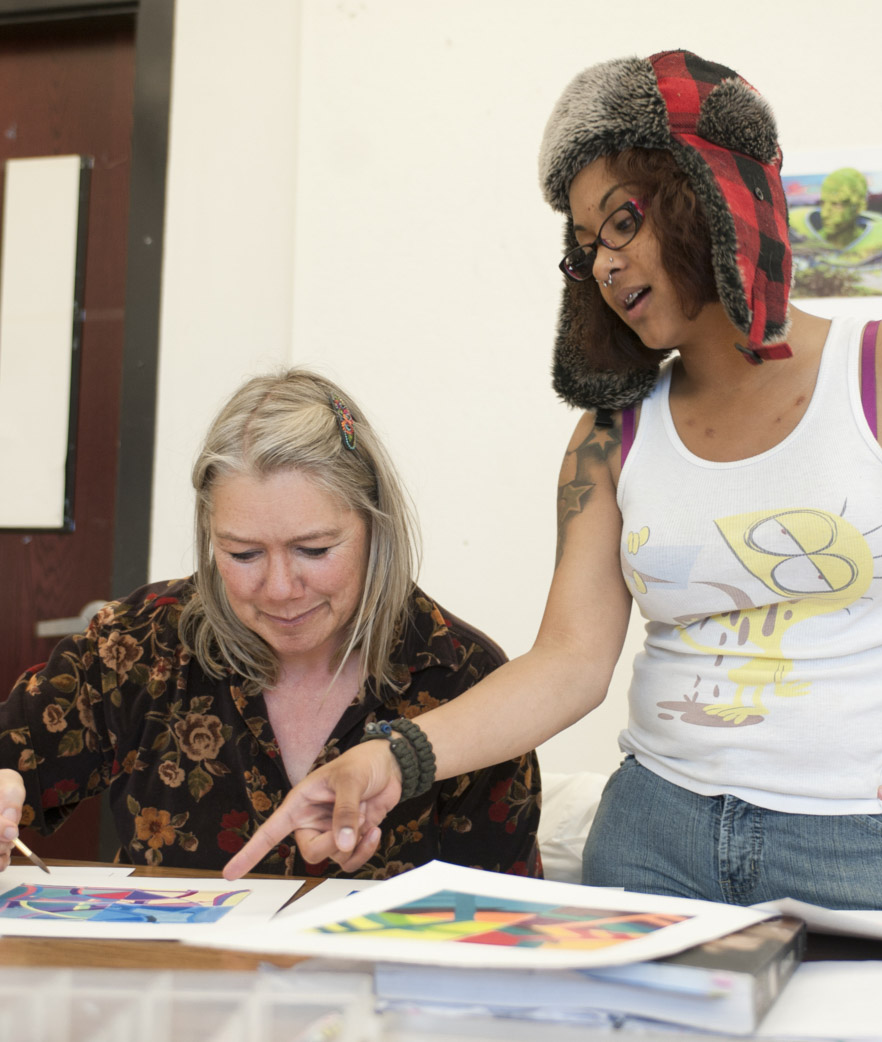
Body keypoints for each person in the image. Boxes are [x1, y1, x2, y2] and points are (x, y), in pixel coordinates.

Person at [222, 50, 882, 910]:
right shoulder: (612, 432)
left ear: (708, 195)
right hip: (655, 835)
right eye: (585, 246)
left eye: (622, 222)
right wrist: (392, 755)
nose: (605, 265)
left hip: (865, 844)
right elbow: (570, 663)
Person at [0, 369, 541, 878]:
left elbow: (497, 916)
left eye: (313, 549)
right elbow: (11, 754)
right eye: (242, 554)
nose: (280, 588)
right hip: (175, 974)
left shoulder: (463, 678)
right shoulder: (139, 645)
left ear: (376, 528)